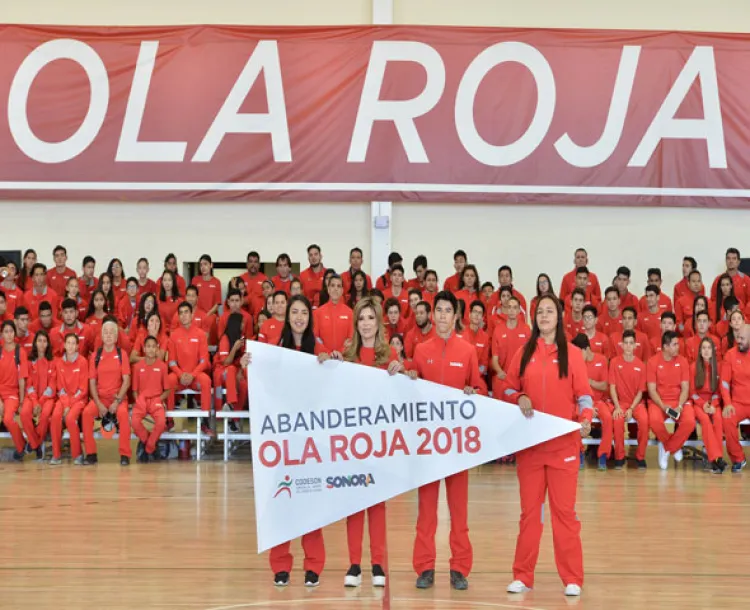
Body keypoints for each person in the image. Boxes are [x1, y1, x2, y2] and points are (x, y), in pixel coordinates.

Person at [503, 294, 592, 597]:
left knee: (564, 514)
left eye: (549, 311)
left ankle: (572, 577)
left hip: (563, 449)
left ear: (559, 316)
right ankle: (522, 575)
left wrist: (586, 417)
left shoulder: (573, 355)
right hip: (530, 449)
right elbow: (506, 387)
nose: (544, 316)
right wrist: (519, 397)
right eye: (539, 311)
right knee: (530, 514)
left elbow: (585, 397)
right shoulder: (524, 353)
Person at [241, 294, 329, 588]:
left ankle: (313, 565)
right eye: (295, 312)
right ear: (287, 316)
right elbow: (262, 381)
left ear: (310, 317)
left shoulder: (319, 349)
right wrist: (248, 364)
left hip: (310, 440)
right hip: (282, 439)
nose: (300, 317)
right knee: (281, 500)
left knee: (311, 501)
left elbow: (332, 382)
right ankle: (280, 565)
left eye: (304, 312)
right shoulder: (274, 349)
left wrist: (334, 362)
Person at [407, 292, 483, 591]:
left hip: (456, 445)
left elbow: (477, 387)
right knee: (426, 511)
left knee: (458, 511)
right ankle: (425, 567)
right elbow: (411, 391)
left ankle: (460, 568)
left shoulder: (468, 351)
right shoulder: (421, 348)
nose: (441, 315)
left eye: (447, 311)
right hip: (428, 444)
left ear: (455, 316)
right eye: (437, 310)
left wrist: (473, 392)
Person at [342, 297, 404, 589]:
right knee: (354, 503)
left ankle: (378, 563)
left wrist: (400, 369)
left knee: (377, 505)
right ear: (356, 323)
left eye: (370, 318)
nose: (366, 323)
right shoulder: (347, 353)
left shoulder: (387, 353)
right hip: (353, 441)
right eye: (361, 318)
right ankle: (354, 564)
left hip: (378, 441)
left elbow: (398, 393)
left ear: (378, 323)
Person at [82, 319, 132, 465]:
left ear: (116, 337)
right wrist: (98, 404)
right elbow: (91, 382)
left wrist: (117, 402)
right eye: (106, 332)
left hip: (118, 397)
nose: (109, 335)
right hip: (101, 399)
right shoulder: (95, 356)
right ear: (101, 336)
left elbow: (126, 381)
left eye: (112, 332)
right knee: (86, 414)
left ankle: (125, 454)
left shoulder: (122, 354)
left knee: (123, 414)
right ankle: (91, 454)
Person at [647, 330, 694, 470]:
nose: (678, 347)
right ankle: (674, 447)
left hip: (679, 400)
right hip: (659, 401)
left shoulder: (683, 361)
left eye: (677, 344)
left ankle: (667, 447)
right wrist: (663, 407)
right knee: (654, 422)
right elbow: (651, 390)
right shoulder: (652, 362)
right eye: (674, 344)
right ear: (665, 347)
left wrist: (679, 406)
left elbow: (685, 388)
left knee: (690, 422)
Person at [167, 302, 212, 436]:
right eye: (181, 313)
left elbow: (204, 360)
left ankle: (205, 421)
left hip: (195, 376)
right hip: (179, 377)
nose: (184, 315)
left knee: (206, 381)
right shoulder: (174, 335)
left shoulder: (201, 334)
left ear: (192, 314)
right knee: (168, 381)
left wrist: (193, 375)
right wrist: (181, 375)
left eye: (186, 312)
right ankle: (169, 421)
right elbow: (171, 362)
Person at [608, 330, 649, 469]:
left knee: (644, 422)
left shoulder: (641, 365)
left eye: (631, 343)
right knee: (617, 420)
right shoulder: (614, 362)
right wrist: (617, 406)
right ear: (621, 345)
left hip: (636, 404)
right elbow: (612, 387)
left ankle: (640, 456)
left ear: (635, 345)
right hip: (620, 403)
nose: (628, 346)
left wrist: (631, 408)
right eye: (625, 343)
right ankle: (619, 457)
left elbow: (640, 391)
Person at [571, 334, 610, 471]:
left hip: (599, 401)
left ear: (587, 349)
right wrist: (587, 407)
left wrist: (590, 382)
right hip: (581, 401)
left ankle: (603, 454)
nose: (576, 355)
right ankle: (580, 451)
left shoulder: (602, 360)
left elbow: (605, 386)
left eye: (578, 352)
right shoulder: (575, 363)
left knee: (608, 418)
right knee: (576, 416)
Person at [690, 337, 727, 474]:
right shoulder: (693, 367)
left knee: (718, 419)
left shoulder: (718, 367)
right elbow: (692, 392)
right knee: (705, 421)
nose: (706, 351)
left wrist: (713, 405)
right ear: (700, 351)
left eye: (708, 348)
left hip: (713, 402)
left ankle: (719, 457)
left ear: (713, 350)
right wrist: (703, 404)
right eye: (703, 348)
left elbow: (718, 392)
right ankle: (714, 459)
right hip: (698, 403)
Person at [132, 335, 171, 463]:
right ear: (144, 348)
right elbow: (134, 390)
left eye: (153, 346)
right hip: (142, 400)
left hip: (156, 399)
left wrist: (159, 399)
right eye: (148, 346)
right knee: (135, 422)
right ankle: (148, 442)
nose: (150, 349)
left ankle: (148, 448)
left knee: (161, 423)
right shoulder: (137, 367)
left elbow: (167, 390)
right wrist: (138, 401)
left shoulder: (163, 366)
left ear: (157, 349)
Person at [20, 330, 56, 459]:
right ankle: (35, 444)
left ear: (48, 344)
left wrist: (41, 402)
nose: (41, 344)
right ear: (35, 343)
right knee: (24, 414)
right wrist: (35, 402)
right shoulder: (29, 362)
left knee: (45, 415)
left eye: (44, 341)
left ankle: (31, 445)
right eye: (39, 341)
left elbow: (52, 386)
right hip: (32, 397)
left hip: (48, 398)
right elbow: (28, 385)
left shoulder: (53, 362)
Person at [54, 332, 89, 465]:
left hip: (79, 399)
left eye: (73, 343)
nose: (70, 346)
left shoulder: (83, 362)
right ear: (64, 345)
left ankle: (77, 454)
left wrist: (70, 404)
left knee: (70, 418)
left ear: (77, 346)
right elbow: (60, 388)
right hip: (63, 400)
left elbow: (83, 389)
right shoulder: (59, 363)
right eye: (68, 343)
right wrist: (66, 404)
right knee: (56, 417)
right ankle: (56, 455)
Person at [721, 324, 750, 473]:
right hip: (737, 403)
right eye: (738, 337)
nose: (739, 341)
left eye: (743, 338)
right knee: (727, 419)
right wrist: (727, 403)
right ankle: (738, 458)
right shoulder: (730, 355)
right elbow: (724, 383)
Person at [490, 296, 530, 397]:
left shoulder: (526, 329)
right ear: (506, 310)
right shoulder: (498, 330)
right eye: (509, 307)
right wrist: (500, 372)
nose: (512, 310)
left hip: (522, 375)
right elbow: (494, 360)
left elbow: (530, 356)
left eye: (515, 307)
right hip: (503, 375)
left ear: (518, 311)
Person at [214, 312, 247, 430]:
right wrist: (234, 348)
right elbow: (226, 362)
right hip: (221, 372)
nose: (244, 324)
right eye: (242, 322)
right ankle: (231, 403)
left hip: (232, 372)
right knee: (231, 369)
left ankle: (235, 418)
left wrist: (240, 373)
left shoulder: (240, 337)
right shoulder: (225, 338)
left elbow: (240, 360)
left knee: (243, 384)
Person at [313, 275, 353, 355]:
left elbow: (351, 339)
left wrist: (340, 353)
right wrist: (328, 354)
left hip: (344, 359)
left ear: (342, 290)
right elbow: (315, 338)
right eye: (332, 285)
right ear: (328, 289)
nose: (335, 289)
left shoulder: (350, 313)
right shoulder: (318, 312)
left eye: (339, 286)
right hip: (323, 358)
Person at [191, 254, 222, 338]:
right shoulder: (195, 280)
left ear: (211, 265)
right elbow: (191, 298)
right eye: (201, 265)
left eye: (205, 264)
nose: (203, 267)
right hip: (197, 314)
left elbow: (217, 304)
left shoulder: (216, 282)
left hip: (210, 315)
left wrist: (206, 315)